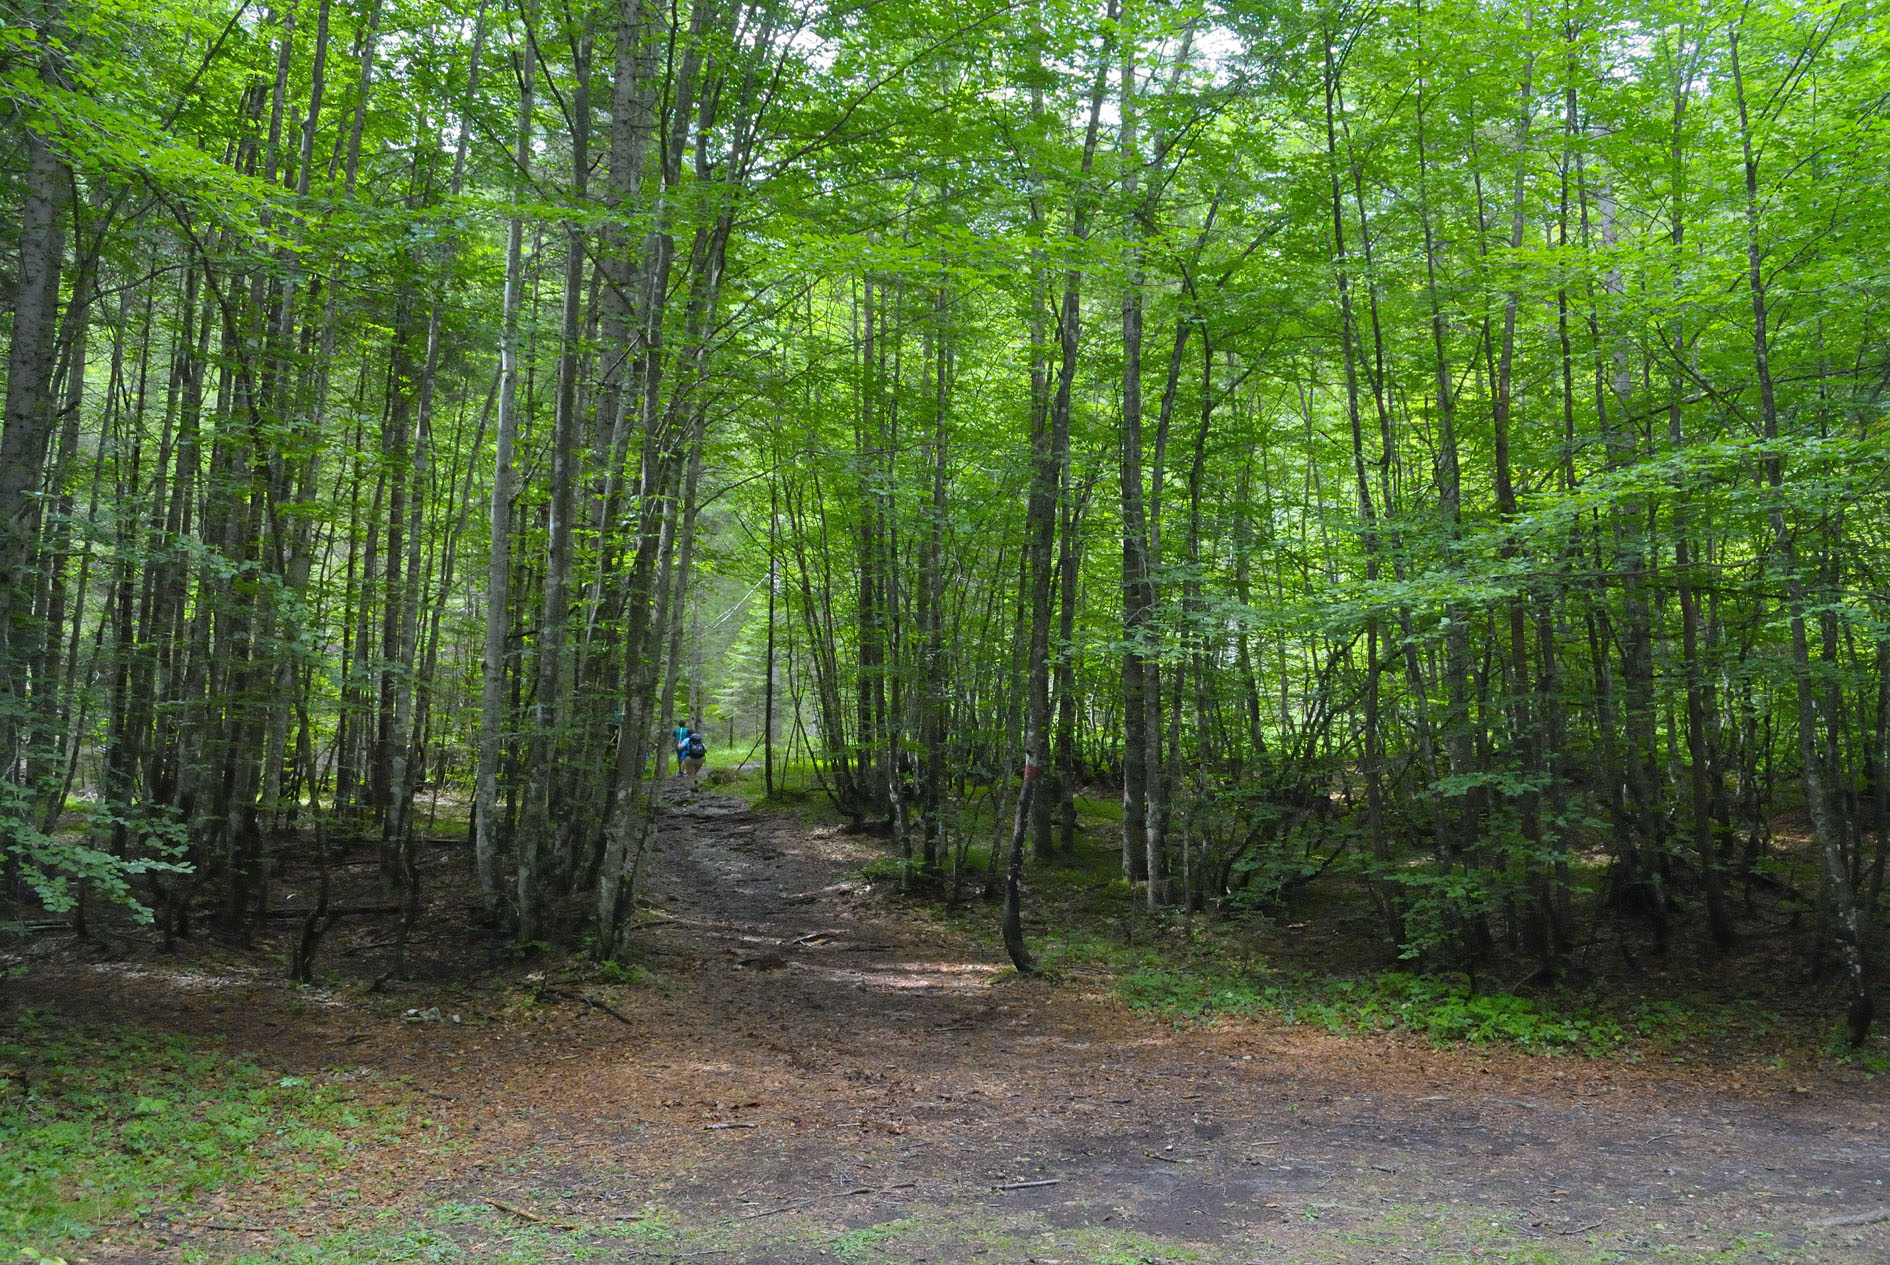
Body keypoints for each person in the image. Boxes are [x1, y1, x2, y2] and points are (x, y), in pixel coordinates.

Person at [681, 723, 708, 791]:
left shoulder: (688, 741)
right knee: (694, 772)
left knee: (690, 774)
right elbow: (706, 750)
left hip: (689, 759)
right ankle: (694, 780)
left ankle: (693, 789)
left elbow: (680, 747)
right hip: (700, 759)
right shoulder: (701, 744)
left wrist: (679, 744)